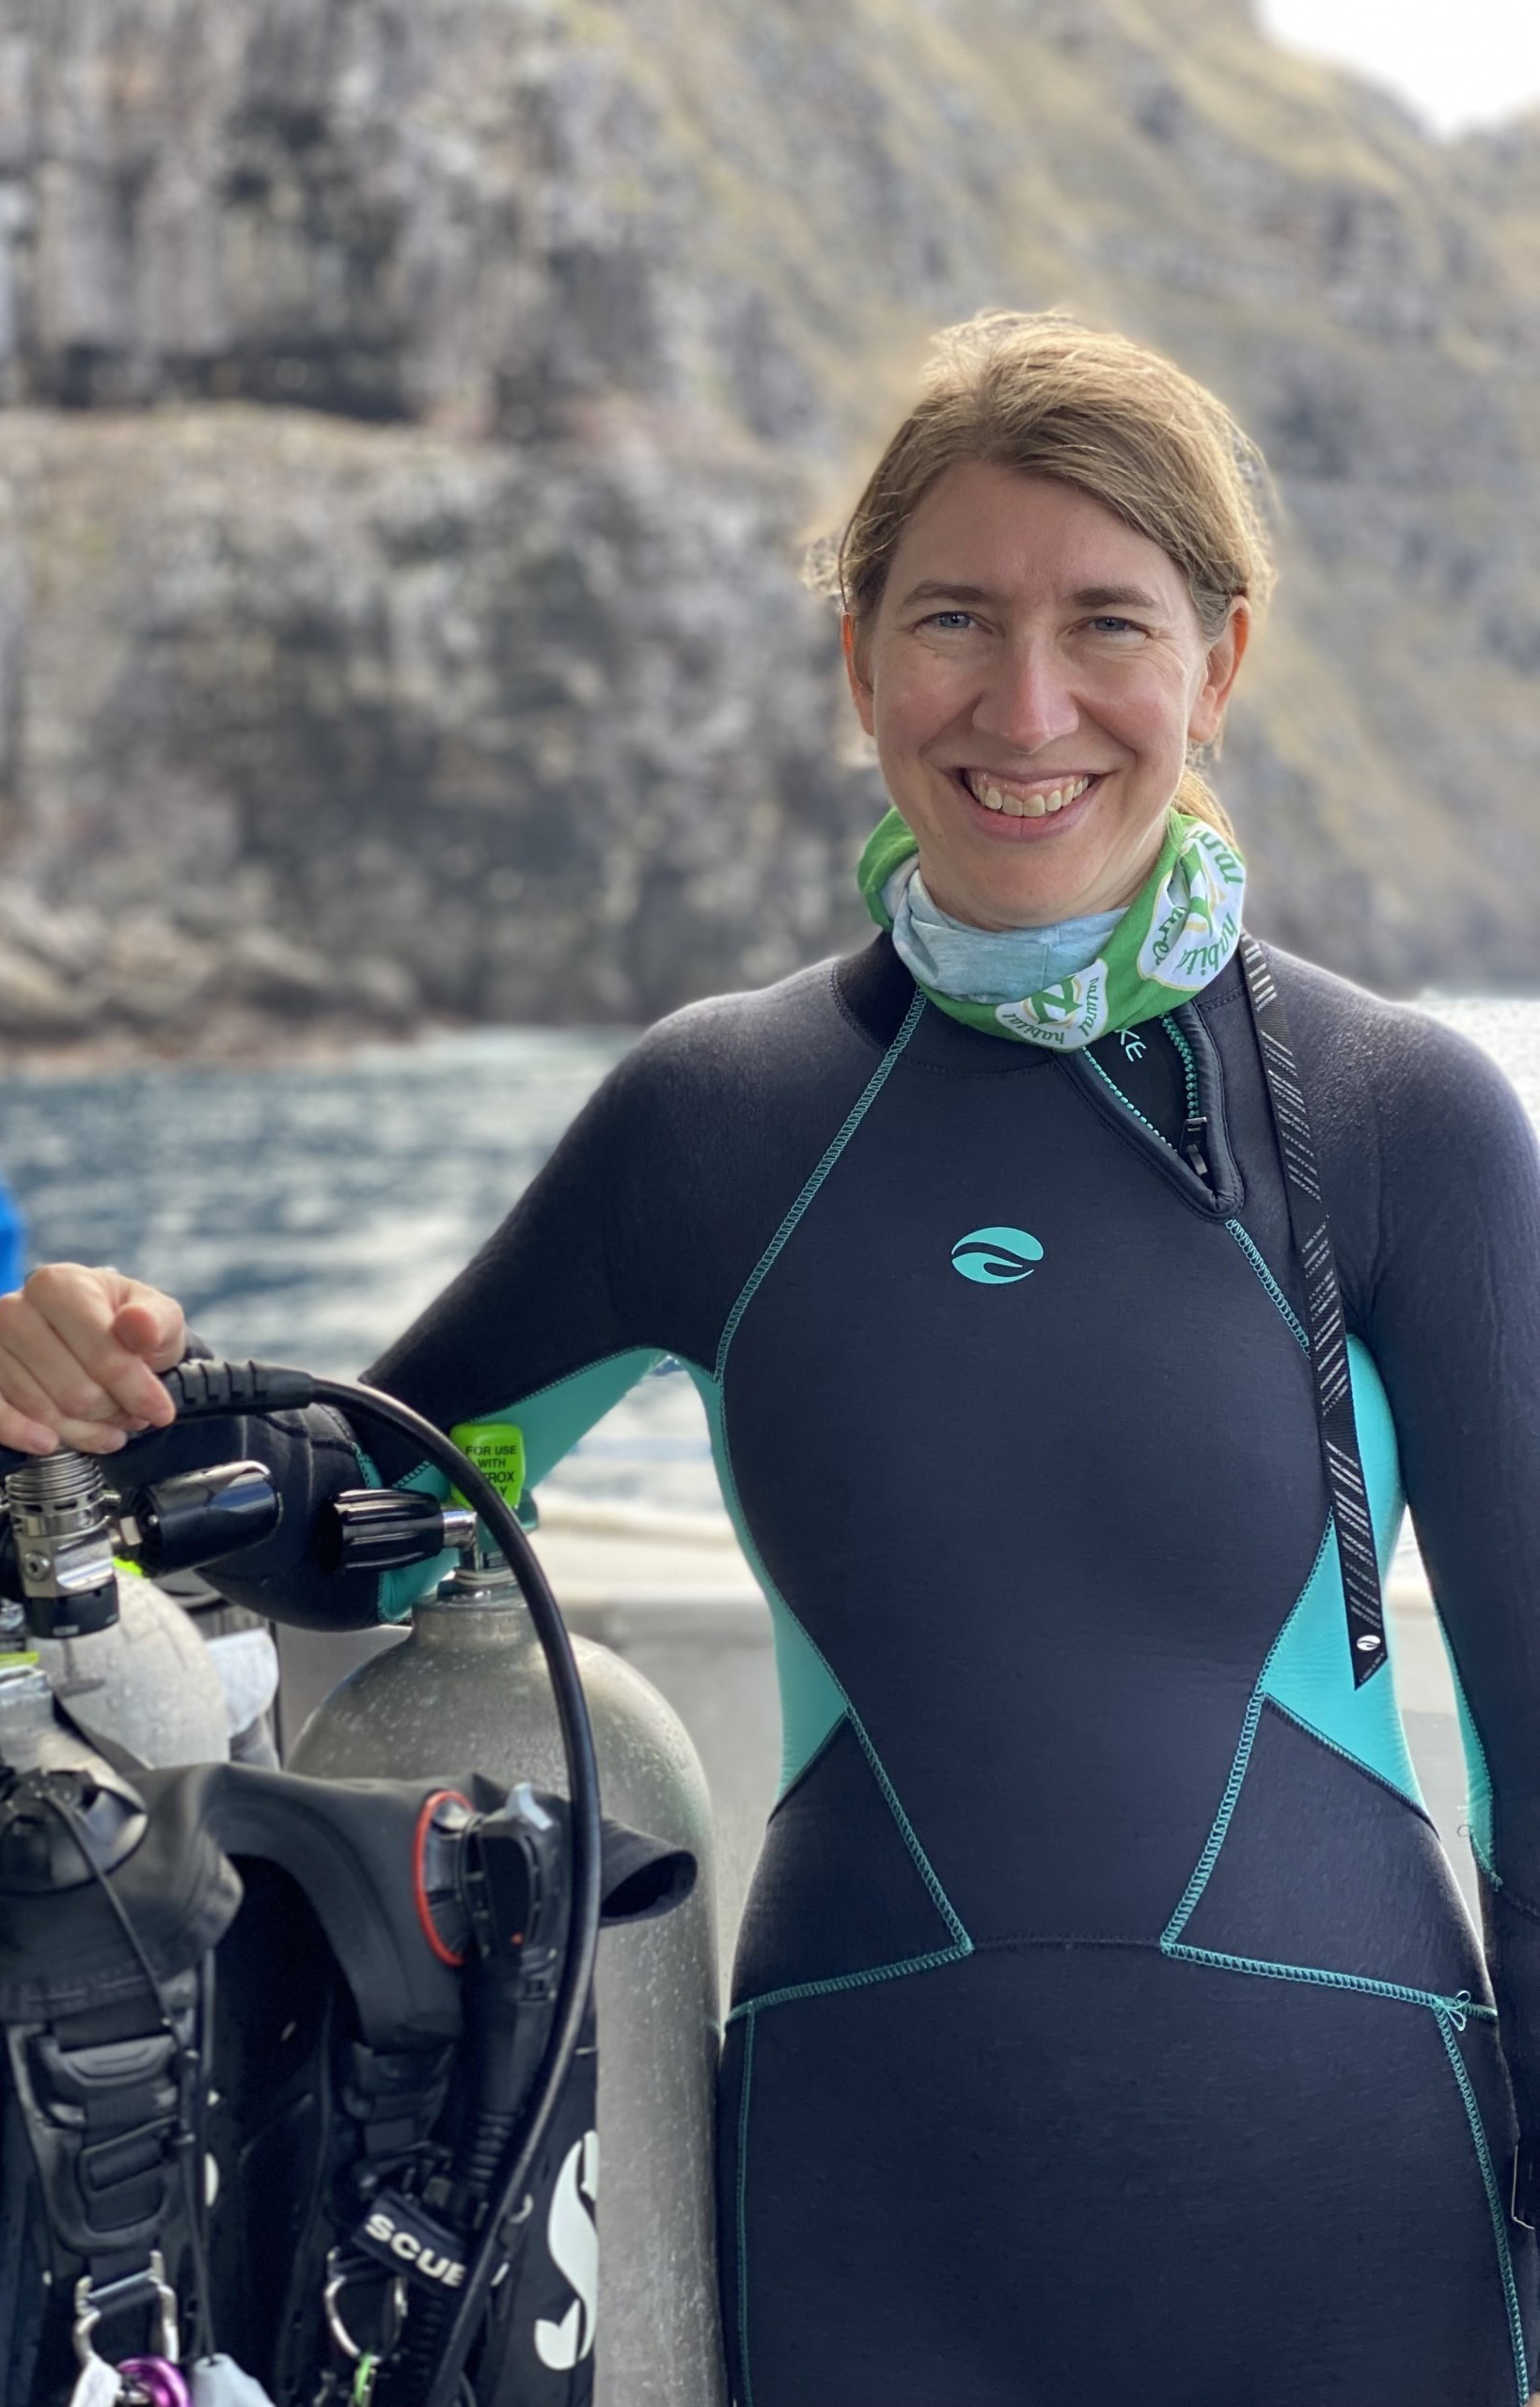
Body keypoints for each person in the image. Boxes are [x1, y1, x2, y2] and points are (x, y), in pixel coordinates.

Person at [1, 311, 1538, 2406]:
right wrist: (105, 1383)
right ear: (855, 661)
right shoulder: (719, 1123)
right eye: (953, 620)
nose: (1028, 704)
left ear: (1222, 661)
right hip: (869, 2205)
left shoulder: (1402, 1117)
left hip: (1357, 2199)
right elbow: (368, 1520)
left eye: (1109, 621)